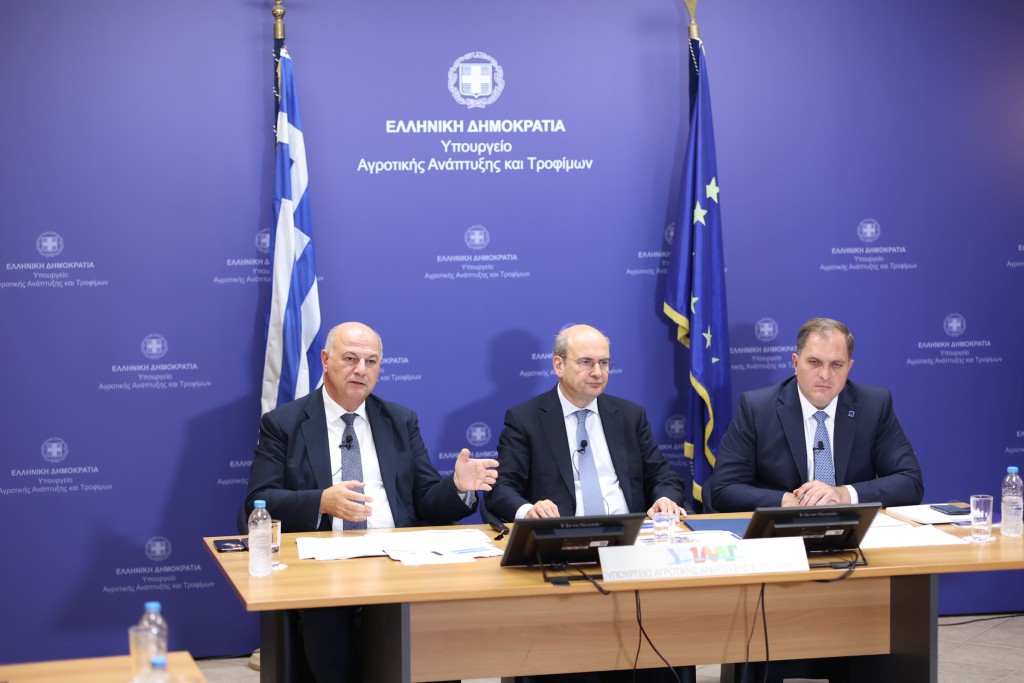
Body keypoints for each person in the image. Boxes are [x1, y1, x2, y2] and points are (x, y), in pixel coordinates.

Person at [245, 321, 498, 682]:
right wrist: (322, 501)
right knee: (331, 641)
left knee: (433, 639)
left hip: (399, 561)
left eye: (371, 361)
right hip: (326, 566)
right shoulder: (284, 423)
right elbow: (259, 500)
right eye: (350, 359)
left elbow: (427, 500)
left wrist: (458, 486)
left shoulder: (399, 420)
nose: (361, 370)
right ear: (325, 360)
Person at [486, 324, 692, 683]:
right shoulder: (526, 418)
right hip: (564, 552)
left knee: (673, 633)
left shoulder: (629, 415)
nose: (598, 372)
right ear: (558, 365)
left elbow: (663, 475)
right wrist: (528, 511)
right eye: (586, 362)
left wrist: (663, 498)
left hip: (630, 548)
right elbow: (501, 489)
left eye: (604, 363)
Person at [707, 317, 923, 512]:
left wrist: (844, 495)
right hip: (782, 531)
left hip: (851, 528)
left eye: (836, 365)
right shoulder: (757, 408)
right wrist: (786, 501)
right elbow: (723, 489)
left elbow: (910, 481)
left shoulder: (874, 406)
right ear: (795, 363)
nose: (825, 375)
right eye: (814, 362)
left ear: (849, 367)